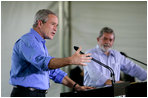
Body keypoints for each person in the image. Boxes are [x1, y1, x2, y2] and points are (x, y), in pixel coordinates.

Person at [9, 9, 93, 97]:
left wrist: (77, 87)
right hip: (26, 94)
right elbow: (44, 64)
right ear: (40, 23)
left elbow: (53, 72)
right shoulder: (29, 40)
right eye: (53, 24)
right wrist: (70, 60)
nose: (55, 29)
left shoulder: (39, 44)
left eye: (57, 26)